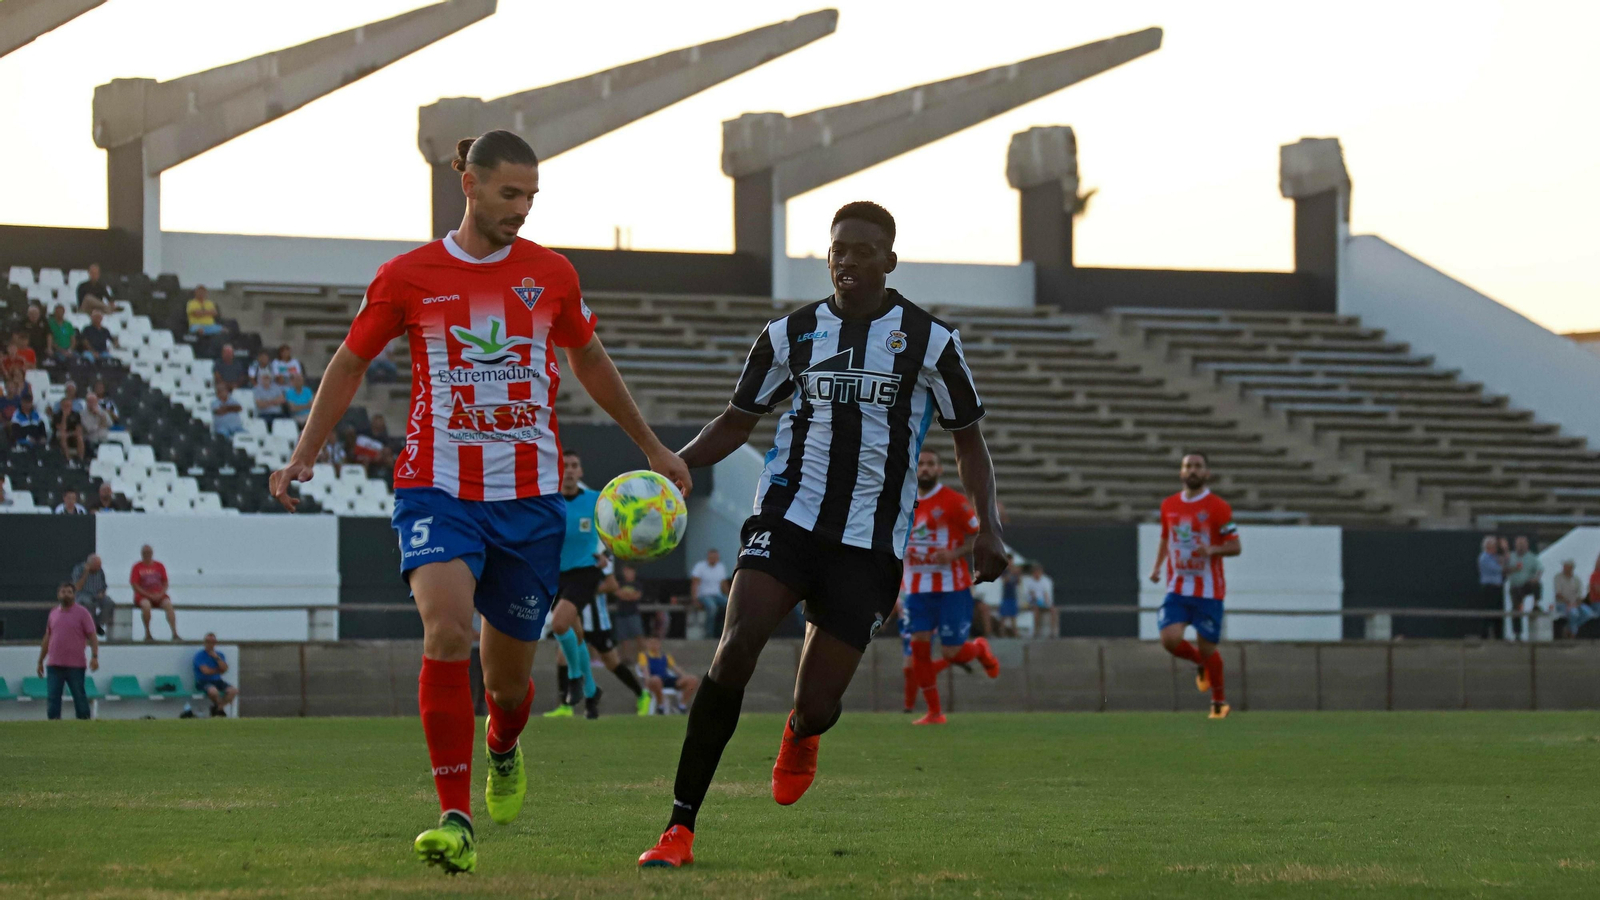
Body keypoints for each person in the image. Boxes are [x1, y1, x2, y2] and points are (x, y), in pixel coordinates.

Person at [266, 129, 690, 876]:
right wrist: (306, 450)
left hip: (530, 506)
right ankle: (454, 819)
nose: (521, 209)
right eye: (508, 193)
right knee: (446, 632)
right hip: (437, 489)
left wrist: (653, 446)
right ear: (468, 183)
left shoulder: (551, 275)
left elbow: (589, 358)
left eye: (531, 196)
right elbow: (349, 361)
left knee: (509, 688)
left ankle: (502, 745)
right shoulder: (407, 276)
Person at [637, 200, 1003, 869]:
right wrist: (675, 466)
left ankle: (801, 732)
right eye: (838, 250)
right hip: (787, 517)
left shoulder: (931, 342)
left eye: (862, 250)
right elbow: (736, 420)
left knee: (817, 704)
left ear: (889, 261)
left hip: (868, 543)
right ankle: (679, 827)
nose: (847, 261)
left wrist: (989, 526)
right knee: (735, 646)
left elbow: (968, 441)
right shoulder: (790, 334)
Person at [900, 448, 1000, 725]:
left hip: (952, 589)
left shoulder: (954, 501)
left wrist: (954, 553)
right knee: (919, 651)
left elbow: (978, 536)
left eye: (931, 464)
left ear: (940, 469)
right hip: (917, 590)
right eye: (921, 464)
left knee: (951, 652)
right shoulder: (902, 501)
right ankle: (934, 712)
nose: (925, 468)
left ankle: (979, 648)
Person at [1148, 452, 1241, 720]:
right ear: (1181, 472)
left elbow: (1235, 546)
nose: (1192, 470)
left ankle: (1219, 702)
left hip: (1209, 592)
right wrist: (1157, 567)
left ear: (1207, 473)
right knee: (1169, 639)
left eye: (1198, 466)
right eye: (1188, 466)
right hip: (1177, 588)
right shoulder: (1169, 505)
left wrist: (1212, 549)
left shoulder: (1218, 507)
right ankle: (1200, 663)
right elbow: (1166, 537)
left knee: (1208, 647)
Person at [543, 452, 611, 719]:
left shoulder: (595, 500)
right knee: (577, 634)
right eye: (564, 466)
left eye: (574, 466)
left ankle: (574, 678)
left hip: (585, 572)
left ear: (580, 471)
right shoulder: (548, 502)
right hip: (556, 575)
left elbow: (617, 529)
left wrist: (608, 554)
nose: (569, 470)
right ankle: (592, 692)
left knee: (560, 624)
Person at [37, 582, 99, 720]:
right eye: (63, 592)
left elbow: (92, 636)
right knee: (53, 698)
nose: (66, 595)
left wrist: (95, 656)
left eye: (69, 592)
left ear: (74, 595)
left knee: (79, 697)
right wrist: (40, 660)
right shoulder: (53, 613)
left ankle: (84, 723)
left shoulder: (83, 613)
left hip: (75, 665)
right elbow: (48, 637)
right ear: (58, 595)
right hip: (54, 664)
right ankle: (54, 723)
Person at [129, 544, 181, 641]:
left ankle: (175, 633)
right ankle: (148, 633)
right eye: (145, 553)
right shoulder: (137, 567)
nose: (147, 555)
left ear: (152, 553)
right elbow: (135, 585)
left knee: (168, 605)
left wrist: (161, 594)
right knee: (146, 606)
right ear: (141, 554)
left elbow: (165, 582)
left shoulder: (159, 566)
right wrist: (149, 595)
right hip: (143, 595)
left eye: (148, 552)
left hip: (159, 594)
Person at [640, 634, 699, 713]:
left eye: (655, 643)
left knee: (693, 680)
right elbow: (645, 669)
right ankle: (660, 705)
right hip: (655, 680)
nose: (653, 645)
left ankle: (682, 705)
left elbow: (675, 668)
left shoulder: (665, 656)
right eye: (651, 643)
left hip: (666, 678)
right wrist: (647, 680)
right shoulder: (644, 656)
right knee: (656, 680)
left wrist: (684, 676)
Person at [610, 563, 647, 679]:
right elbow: (618, 593)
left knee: (639, 636)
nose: (628, 573)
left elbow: (636, 596)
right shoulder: (619, 583)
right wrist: (628, 595)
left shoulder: (637, 584)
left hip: (633, 614)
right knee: (624, 638)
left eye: (630, 571)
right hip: (621, 614)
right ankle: (627, 659)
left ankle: (643, 659)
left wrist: (626, 595)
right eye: (626, 571)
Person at [1505, 536, 1543, 641]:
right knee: (1516, 609)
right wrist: (1513, 569)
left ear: (1527, 546)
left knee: (1537, 584)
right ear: (1515, 545)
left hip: (1526, 585)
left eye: (1523, 545)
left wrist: (1536, 578)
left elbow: (1540, 568)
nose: (1521, 547)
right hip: (1515, 587)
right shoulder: (1510, 556)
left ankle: (1536, 605)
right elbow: (1505, 569)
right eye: (1519, 545)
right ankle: (1517, 634)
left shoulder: (1531, 557)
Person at [688, 548, 730, 638]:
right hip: (704, 595)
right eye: (712, 557)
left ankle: (724, 632)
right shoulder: (700, 567)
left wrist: (730, 597)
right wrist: (694, 599)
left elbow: (724, 584)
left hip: (717, 595)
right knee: (712, 607)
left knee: (729, 606)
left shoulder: (721, 567)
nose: (713, 559)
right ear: (708, 557)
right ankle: (709, 634)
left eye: (715, 557)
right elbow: (695, 583)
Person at [193, 632, 239, 716]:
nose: (210, 644)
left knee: (233, 691)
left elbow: (225, 668)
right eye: (207, 642)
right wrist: (219, 670)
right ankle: (220, 710)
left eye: (212, 642)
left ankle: (218, 708)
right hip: (203, 681)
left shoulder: (220, 655)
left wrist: (217, 658)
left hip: (217, 681)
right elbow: (206, 671)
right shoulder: (199, 656)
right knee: (213, 692)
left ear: (215, 643)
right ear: (204, 643)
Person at [71, 554, 112, 636]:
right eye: (95, 567)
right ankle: (90, 626)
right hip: (83, 595)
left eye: (99, 567)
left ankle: (97, 623)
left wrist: (102, 593)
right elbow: (77, 587)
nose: (97, 569)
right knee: (88, 603)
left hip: (97, 595)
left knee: (109, 603)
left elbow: (104, 586)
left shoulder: (100, 571)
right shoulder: (79, 569)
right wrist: (86, 573)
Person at [1552, 560, 1595, 639]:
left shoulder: (1576, 579)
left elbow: (1580, 595)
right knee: (1574, 614)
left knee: (1589, 614)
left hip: (1575, 603)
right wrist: (1568, 603)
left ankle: (1570, 627)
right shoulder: (1558, 578)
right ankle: (1573, 634)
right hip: (1563, 603)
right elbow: (1558, 594)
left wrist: (1577, 603)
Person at [1478, 536, 1508, 639]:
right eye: (1494, 546)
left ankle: (1499, 636)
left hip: (1497, 588)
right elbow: (1499, 569)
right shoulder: (1484, 558)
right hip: (1489, 588)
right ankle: (1484, 636)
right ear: (1488, 546)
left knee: (1498, 613)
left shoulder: (1494, 557)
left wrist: (1505, 549)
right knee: (1488, 612)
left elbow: (1506, 560)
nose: (1496, 548)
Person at [1020, 561, 1055, 638]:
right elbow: (1027, 594)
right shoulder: (1029, 582)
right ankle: (1036, 631)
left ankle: (1052, 631)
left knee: (1053, 611)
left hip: (1043, 602)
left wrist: (1048, 603)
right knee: (1036, 610)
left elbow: (1047, 594)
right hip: (1033, 602)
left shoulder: (1046, 581)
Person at [53, 396, 86, 465]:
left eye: (69, 406)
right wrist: (64, 417)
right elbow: (61, 429)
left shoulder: (76, 414)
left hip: (72, 433)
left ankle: (80, 459)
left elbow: (79, 428)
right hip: (61, 434)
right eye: (65, 406)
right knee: (63, 436)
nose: (67, 407)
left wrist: (72, 433)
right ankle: (68, 459)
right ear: (61, 406)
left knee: (80, 437)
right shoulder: (57, 415)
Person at [997, 561, 1021, 637]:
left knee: (1013, 616)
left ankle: (1015, 633)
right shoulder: (1005, 572)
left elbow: (1018, 582)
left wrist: (1018, 574)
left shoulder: (1015, 572)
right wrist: (1011, 573)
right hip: (1006, 596)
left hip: (1013, 596)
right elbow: (1005, 580)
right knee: (1003, 616)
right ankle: (1001, 633)